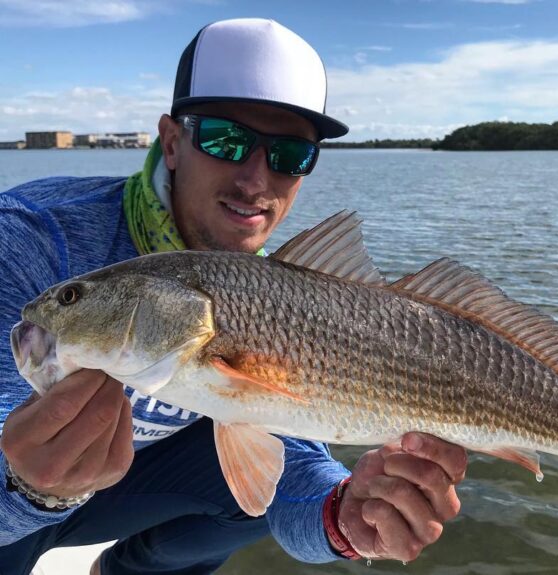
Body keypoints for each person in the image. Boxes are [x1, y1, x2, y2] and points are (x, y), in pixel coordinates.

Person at [0, 18, 467, 575]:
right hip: (14, 504)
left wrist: (345, 519)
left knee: (253, 493)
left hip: (125, 491)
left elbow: (293, 457)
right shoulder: (28, 240)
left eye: (292, 154)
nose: (256, 180)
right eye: (227, 139)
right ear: (172, 142)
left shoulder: (264, 285)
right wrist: (28, 490)